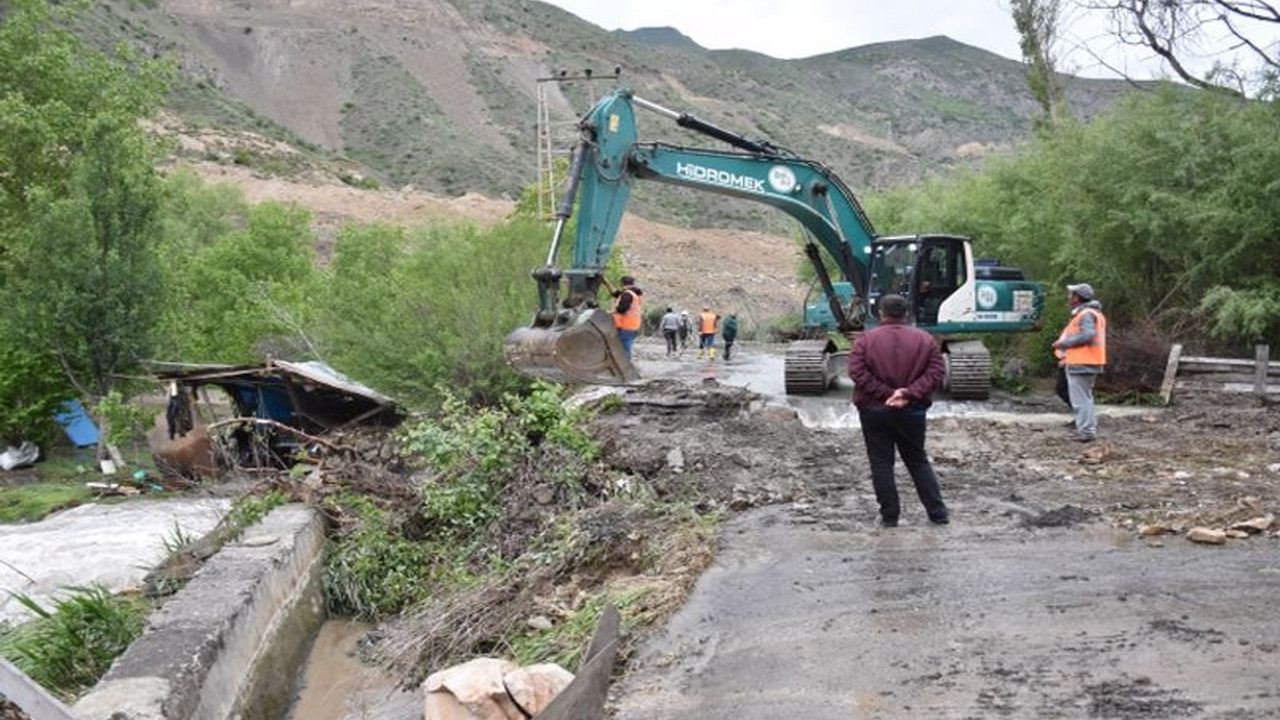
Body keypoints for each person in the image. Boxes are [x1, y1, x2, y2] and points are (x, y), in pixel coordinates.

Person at [848, 294, 949, 527]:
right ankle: (938, 514)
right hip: (911, 411)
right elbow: (935, 373)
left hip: (874, 410)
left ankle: (890, 517)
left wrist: (886, 394)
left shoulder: (864, 340)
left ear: (881, 313)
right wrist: (907, 394)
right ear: (906, 314)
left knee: (881, 463)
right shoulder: (925, 340)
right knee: (917, 461)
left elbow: (857, 372)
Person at [1051, 283, 1107, 442]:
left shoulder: (1086, 314)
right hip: (1089, 361)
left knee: (1080, 399)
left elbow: (1087, 335)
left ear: (1077, 298)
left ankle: (1086, 432)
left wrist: (1063, 344)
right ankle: (1088, 428)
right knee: (1086, 398)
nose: (1069, 298)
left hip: (1082, 363)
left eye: (1071, 295)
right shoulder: (1093, 313)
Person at [612, 275, 643, 361]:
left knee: (624, 351)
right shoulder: (634, 294)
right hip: (632, 326)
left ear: (622, 284)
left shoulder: (627, 295)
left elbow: (622, 309)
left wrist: (612, 312)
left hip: (626, 326)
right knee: (625, 349)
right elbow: (615, 293)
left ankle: (627, 371)